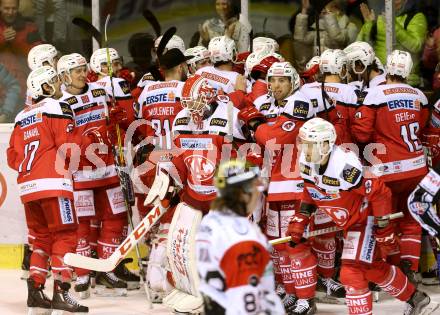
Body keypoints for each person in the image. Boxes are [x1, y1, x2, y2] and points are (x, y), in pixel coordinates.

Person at [289, 117, 431, 315]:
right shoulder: (306, 160)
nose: (305, 149)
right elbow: (310, 190)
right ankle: (415, 298)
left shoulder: (345, 167)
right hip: (350, 221)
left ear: (325, 144)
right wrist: (302, 216)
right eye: (303, 143)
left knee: (351, 272)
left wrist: (383, 227)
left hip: (365, 219)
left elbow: (380, 193)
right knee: (371, 268)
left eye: (310, 145)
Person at [7, 65, 88, 313]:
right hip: (54, 185)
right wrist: (85, 145)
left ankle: (35, 291)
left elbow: (12, 157)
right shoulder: (57, 107)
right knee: (65, 235)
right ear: (43, 86)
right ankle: (62, 293)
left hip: (28, 188)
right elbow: (68, 145)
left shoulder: (21, 116)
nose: (56, 85)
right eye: (52, 81)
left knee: (40, 240)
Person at [352, 50, 429, 283]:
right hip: (417, 169)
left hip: (387, 170)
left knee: (385, 222)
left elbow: (361, 132)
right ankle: (409, 268)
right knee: (411, 220)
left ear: (388, 67)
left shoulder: (375, 94)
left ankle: (391, 273)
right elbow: (423, 127)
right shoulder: (420, 96)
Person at [57, 53, 129, 298]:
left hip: (108, 168)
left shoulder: (100, 91)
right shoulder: (61, 103)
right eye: (75, 70)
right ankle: (84, 272)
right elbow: (64, 139)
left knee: (116, 217)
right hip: (81, 173)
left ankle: (107, 269)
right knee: (82, 225)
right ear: (64, 76)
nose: (80, 73)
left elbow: (112, 118)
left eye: (82, 68)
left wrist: (117, 120)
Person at [196, 159, 284, 315]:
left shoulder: (211, 220)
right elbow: (247, 300)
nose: (258, 193)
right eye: (255, 187)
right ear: (243, 193)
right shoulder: (243, 237)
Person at [357, 0, 427, 86]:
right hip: (379, 78)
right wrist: (369, 24)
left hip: (404, 78)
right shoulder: (379, 16)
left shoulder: (416, 17)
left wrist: (394, 26)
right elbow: (363, 46)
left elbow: (416, 46)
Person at [0, 0, 42, 120]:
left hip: (22, 89)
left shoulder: (29, 27)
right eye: (6, 8)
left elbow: (38, 54)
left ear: (18, 8)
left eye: (13, 8)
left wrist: (16, 40)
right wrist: (3, 38)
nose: (10, 12)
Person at [294, 0, 358, 55]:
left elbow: (337, 39)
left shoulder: (350, 27)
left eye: (331, 8)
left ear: (338, 10)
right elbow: (301, 38)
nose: (323, 11)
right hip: (319, 68)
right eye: (323, 8)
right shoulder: (320, 29)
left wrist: (328, 14)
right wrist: (304, 10)